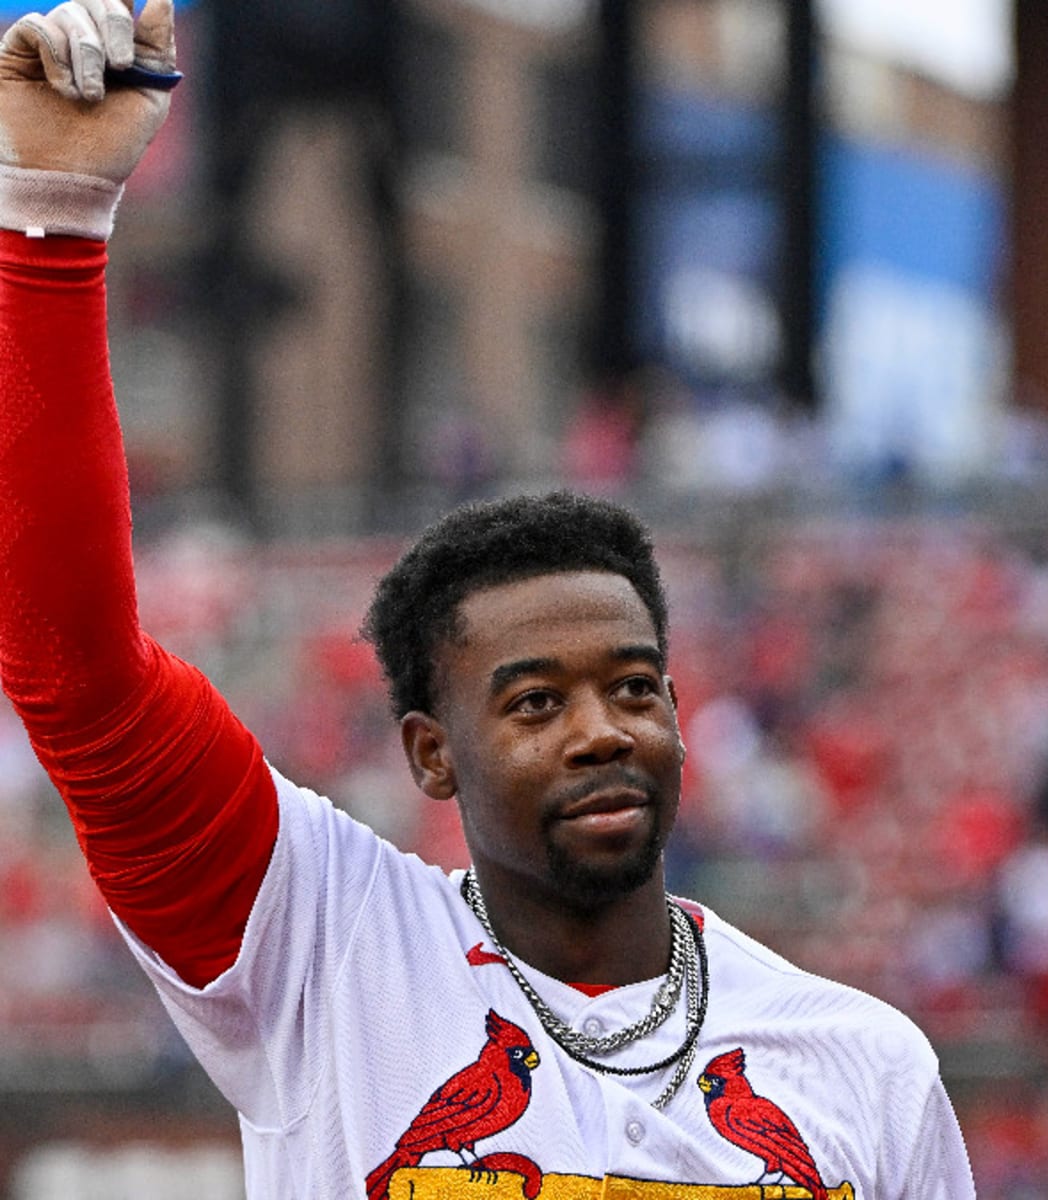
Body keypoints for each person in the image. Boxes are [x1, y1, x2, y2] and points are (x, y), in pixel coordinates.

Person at [0, 2, 976, 1197]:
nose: (601, 730)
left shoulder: (862, 1066)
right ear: (432, 754)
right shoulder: (325, 945)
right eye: (532, 703)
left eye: (631, 688)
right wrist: (51, 216)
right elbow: (74, 670)